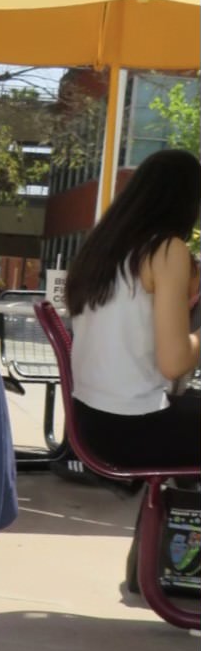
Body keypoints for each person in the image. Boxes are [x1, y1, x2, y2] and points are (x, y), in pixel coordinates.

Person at [65, 148, 200, 469]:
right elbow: (175, 363)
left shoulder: (102, 248)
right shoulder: (166, 249)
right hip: (135, 427)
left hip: (91, 423)